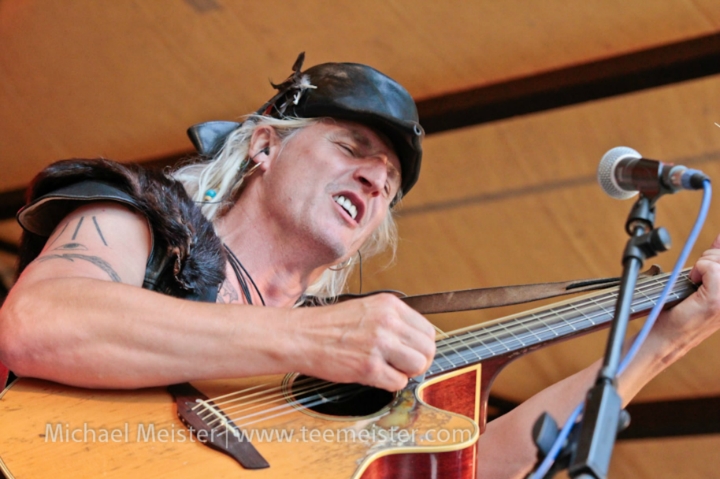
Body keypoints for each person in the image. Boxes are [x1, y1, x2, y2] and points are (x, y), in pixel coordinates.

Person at [1, 54, 720, 478]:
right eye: (352, 148)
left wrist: (668, 337)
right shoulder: (142, 218)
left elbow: (484, 462)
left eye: (390, 185)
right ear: (261, 145)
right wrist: (309, 340)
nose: (377, 181)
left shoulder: (345, 365)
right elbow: (40, 321)